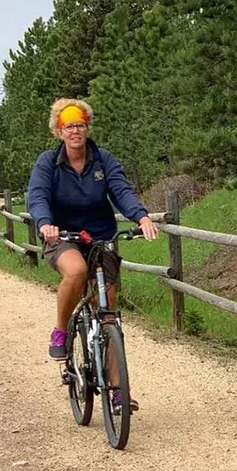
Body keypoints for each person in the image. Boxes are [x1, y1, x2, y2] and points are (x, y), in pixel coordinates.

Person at [28, 99, 158, 411]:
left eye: (80, 124)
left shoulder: (103, 160)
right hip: (63, 236)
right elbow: (37, 195)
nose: (75, 131)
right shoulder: (48, 162)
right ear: (59, 131)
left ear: (88, 127)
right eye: (69, 126)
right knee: (75, 272)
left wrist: (141, 217)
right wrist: (45, 223)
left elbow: (121, 190)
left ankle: (117, 391)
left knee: (109, 314)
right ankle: (61, 330)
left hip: (101, 237)